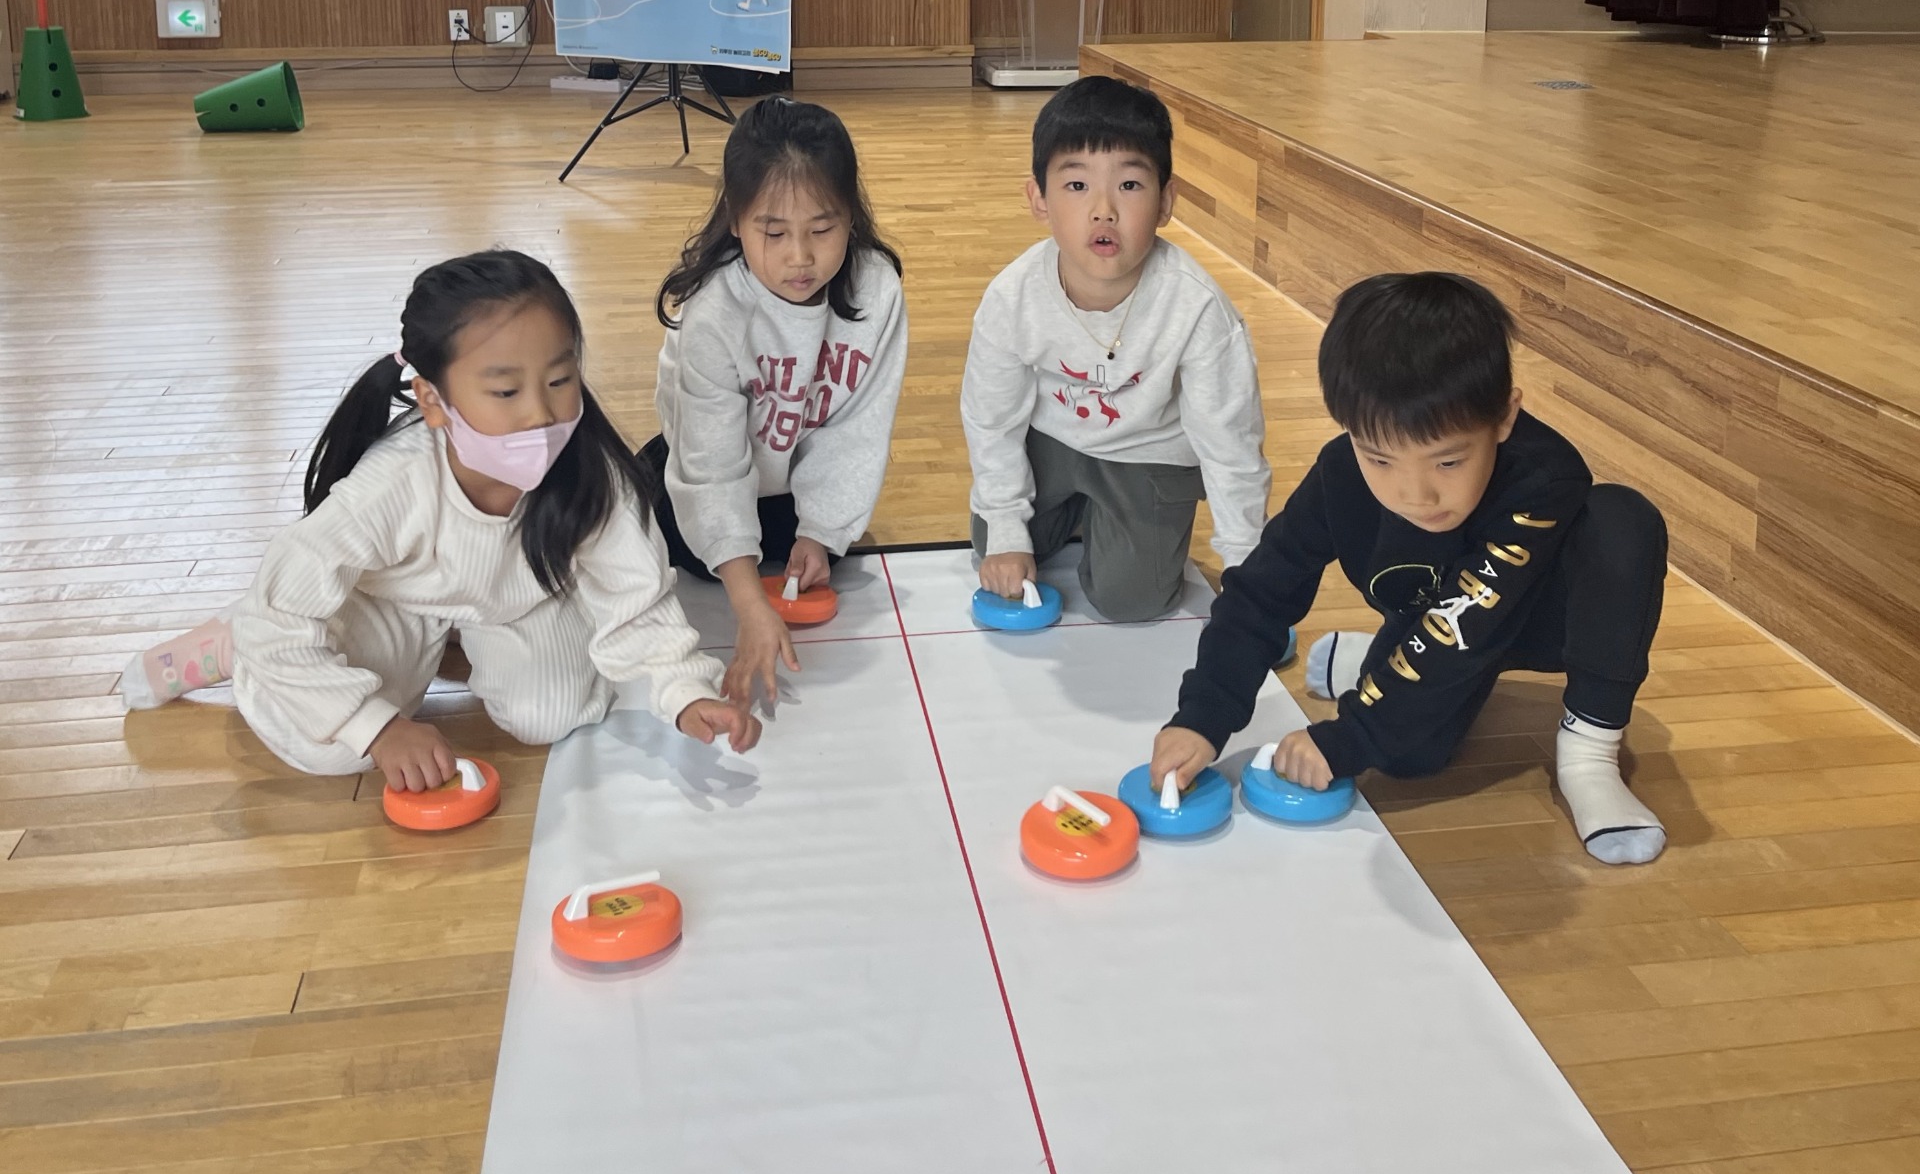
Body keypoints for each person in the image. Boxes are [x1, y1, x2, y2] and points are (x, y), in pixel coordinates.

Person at [120, 250, 756, 789]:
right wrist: (378, 728)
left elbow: (638, 602)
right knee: (333, 745)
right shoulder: (393, 485)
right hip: (388, 603)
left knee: (554, 716)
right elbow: (282, 616)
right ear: (431, 399)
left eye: (560, 380)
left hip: (508, 601)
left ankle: (459, 639)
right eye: (505, 392)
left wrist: (686, 693)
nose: (540, 413)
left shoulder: (594, 476)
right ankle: (232, 641)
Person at [1152, 271, 1670, 864]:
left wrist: (1349, 735)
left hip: (1541, 619)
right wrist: (1203, 717)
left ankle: (1589, 756)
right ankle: (1373, 659)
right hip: (1437, 621)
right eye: (1380, 459)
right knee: (1406, 758)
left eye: (1447, 462)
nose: (1415, 495)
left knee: (1622, 521)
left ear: (1504, 417)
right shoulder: (1340, 475)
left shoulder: (1545, 475)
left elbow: (1470, 620)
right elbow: (1260, 593)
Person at [961, 75, 1270, 621]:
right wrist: (1007, 526)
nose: (1103, 210)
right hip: (1052, 442)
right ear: (1038, 199)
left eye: (1129, 185)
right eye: (1077, 185)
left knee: (1131, 602)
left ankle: (1115, 520)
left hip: (1148, 453)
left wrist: (1248, 570)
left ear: (1166, 201)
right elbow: (991, 419)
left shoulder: (1198, 308)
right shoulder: (1012, 297)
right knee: (994, 542)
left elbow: (1232, 446)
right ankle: (1082, 512)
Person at [645, 97, 907, 708]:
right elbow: (710, 466)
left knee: (821, 550)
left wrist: (821, 532)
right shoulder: (714, 310)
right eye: (774, 232)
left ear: (850, 215)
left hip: (790, 478)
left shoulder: (877, 291)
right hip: (706, 469)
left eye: (822, 229)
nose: (800, 257)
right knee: (690, 556)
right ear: (736, 220)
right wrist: (748, 606)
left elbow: (856, 430)